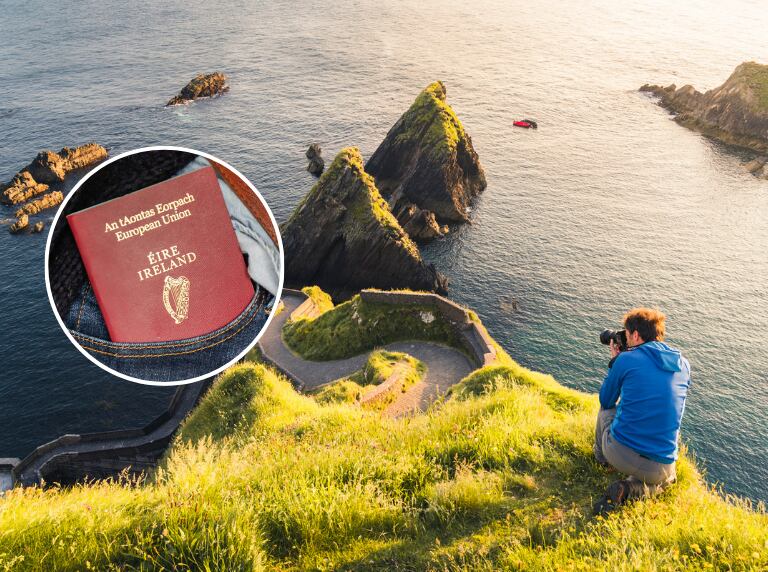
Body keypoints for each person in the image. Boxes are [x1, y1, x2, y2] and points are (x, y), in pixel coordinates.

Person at [593, 308, 691, 514]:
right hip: (661, 466)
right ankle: (629, 489)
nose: (626, 340)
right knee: (669, 480)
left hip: (619, 454)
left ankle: (601, 461)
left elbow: (606, 399)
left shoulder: (626, 359)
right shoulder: (684, 365)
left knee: (606, 408)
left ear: (636, 335)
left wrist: (616, 362)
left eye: (627, 335)